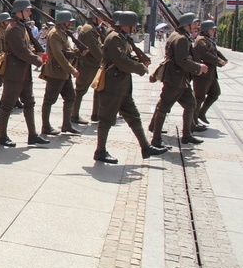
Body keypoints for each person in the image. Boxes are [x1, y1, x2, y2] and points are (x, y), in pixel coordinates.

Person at [93, 11, 168, 164]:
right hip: (112, 85)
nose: (135, 28)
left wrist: (137, 60)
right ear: (127, 25)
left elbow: (125, 58)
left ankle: (145, 147)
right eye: (133, 25)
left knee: (134, 117)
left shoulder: (121, 38)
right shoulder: (114, 38)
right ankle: (100, 151)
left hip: (121, 86)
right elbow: (121, 61)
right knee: (106, 119)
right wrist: (140, 68)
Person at [149, 12, 208, 148]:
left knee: (190, 104)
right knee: (163, 107)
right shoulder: (181, 38)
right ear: (186, 25)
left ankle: (187, 135)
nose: (196, 26)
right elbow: (182, 60)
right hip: (175, 78)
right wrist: (198, 67)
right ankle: (156, 139)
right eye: (194, 24)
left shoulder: (178, 36)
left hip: (180, 79)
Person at [0, 0, 47, 147]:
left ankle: (32, 135)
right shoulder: (13, 28)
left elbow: (26, 48)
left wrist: (34, 53)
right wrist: (38, 60)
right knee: (7, 105)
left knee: (29, 102)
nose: (30, 13)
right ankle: (2, 136)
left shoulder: (21, 27)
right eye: (27, 10)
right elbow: (20, 51)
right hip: (14, 72)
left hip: (23, 71)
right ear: (19, 11)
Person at [40, 11, 85, 136]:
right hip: (56, 71)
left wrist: (77, 52)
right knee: (49, 100)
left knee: (70, 97)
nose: (70, 23)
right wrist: (72, 70)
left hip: (63, 72)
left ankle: (66, 124)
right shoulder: (54, 34)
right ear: (63, 22)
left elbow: (66, 51)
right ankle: (46, 126)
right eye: (68, 21)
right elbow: (58, 55)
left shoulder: (62, 33)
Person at [71, 10, 104, 124]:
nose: (102, 20)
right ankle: (73, 115)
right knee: (80, 90)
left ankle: (96, 114)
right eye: (100, 17)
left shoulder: (91, 29)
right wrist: (104, 60)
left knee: (99, 88)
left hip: (92, 64)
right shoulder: (89, 30)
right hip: (88, 64)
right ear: (95, 18)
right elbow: (94, 49)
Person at [193, 20, 227, 125]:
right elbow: (205, 54)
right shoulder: (200, 41)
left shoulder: (208, 40)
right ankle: (193, 121)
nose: (214, 31)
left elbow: (215, 51)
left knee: (215, 93)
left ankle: (201, 113)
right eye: (212, 29)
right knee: (199, 97)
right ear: (206, 29)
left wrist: (223, 59)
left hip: (210, 74)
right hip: (203, 74)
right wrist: (218, 61)